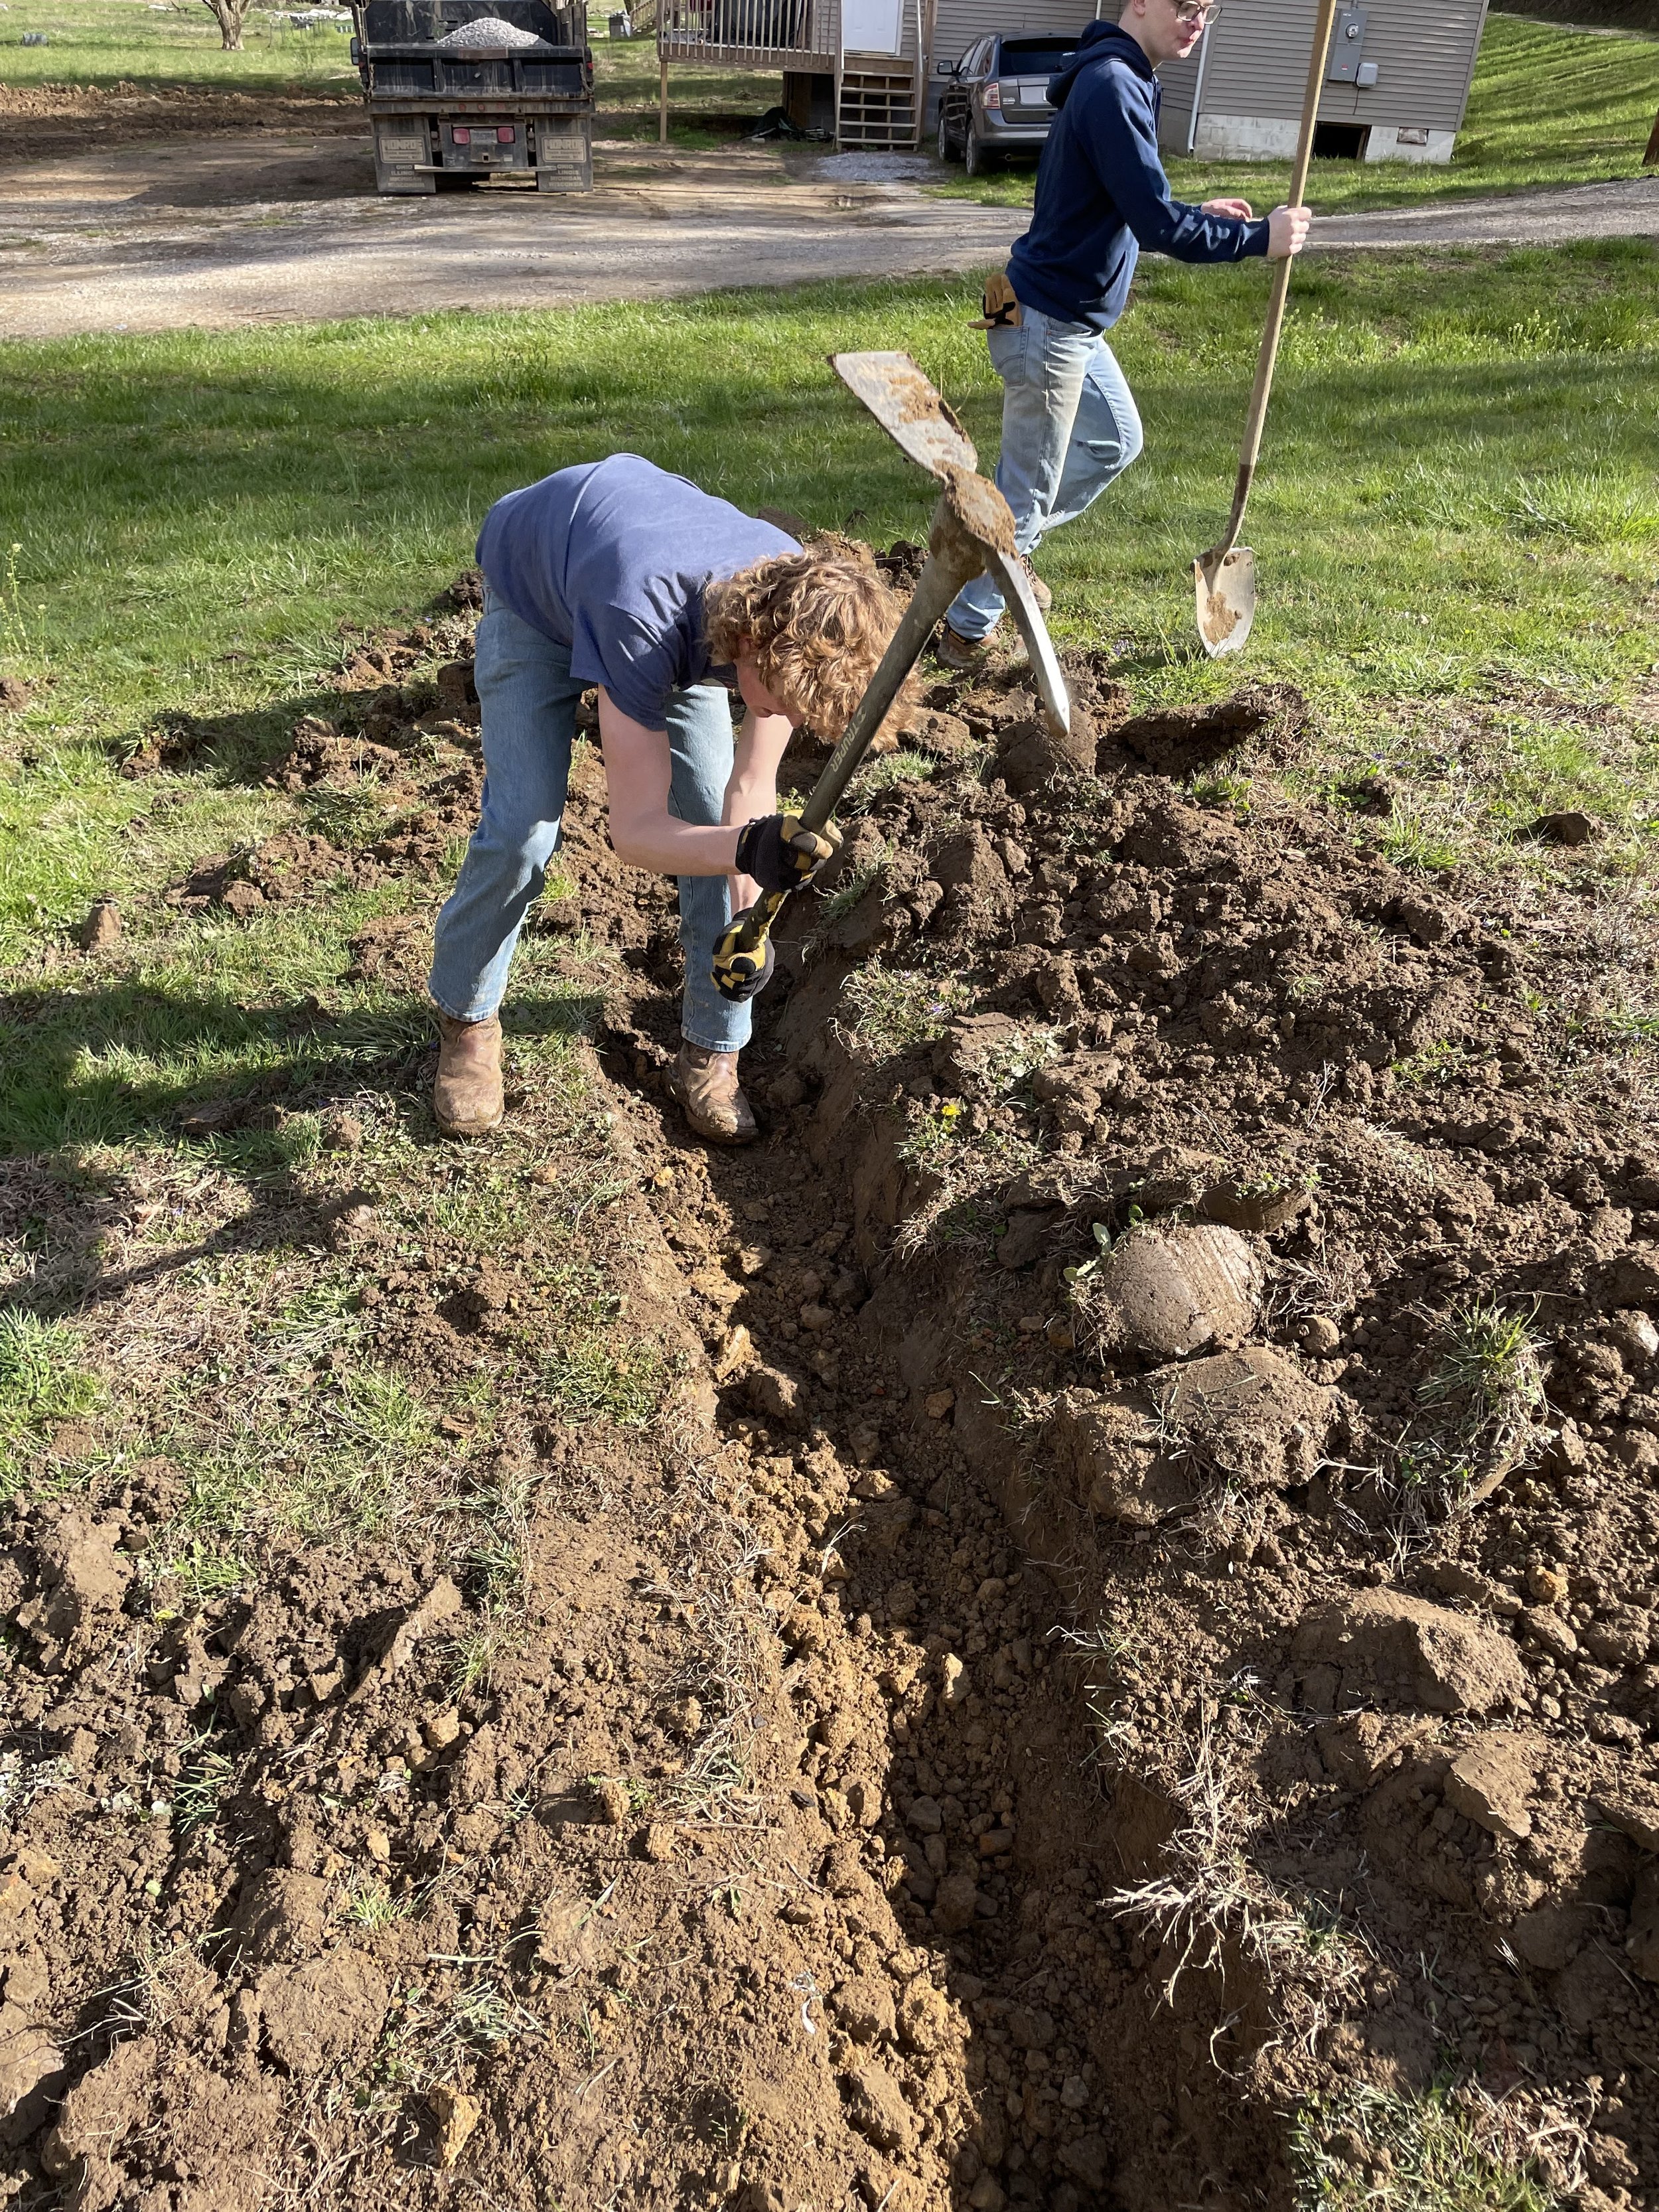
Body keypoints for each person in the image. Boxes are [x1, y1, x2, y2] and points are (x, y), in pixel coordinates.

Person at [427, 453, 903, 1145]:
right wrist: (745, 849)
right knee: (522, 829)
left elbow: (746, 795)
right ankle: (466, 1019)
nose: (793, 721)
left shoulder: (797, 606)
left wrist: (751, 918)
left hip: (653, 588)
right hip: (538, 585)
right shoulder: (641, 618)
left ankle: (714, 1050)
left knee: (715, 818)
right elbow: (638, 830)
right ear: (754, 651)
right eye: (791, 707)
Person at [938, 0, 1314, 669]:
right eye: (1185, 5)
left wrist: (1195, 213)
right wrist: (1260, 239)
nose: (1197, 21)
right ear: (1139, 2)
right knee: (1026, 496)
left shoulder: (1120, 77)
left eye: (1208, 10)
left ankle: (990, 547)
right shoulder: (1112, 83)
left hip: (1057, 317)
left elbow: (1124, 204)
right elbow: (1157, 228)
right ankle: (968, 631)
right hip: (1046, 322)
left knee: (1114, 442)